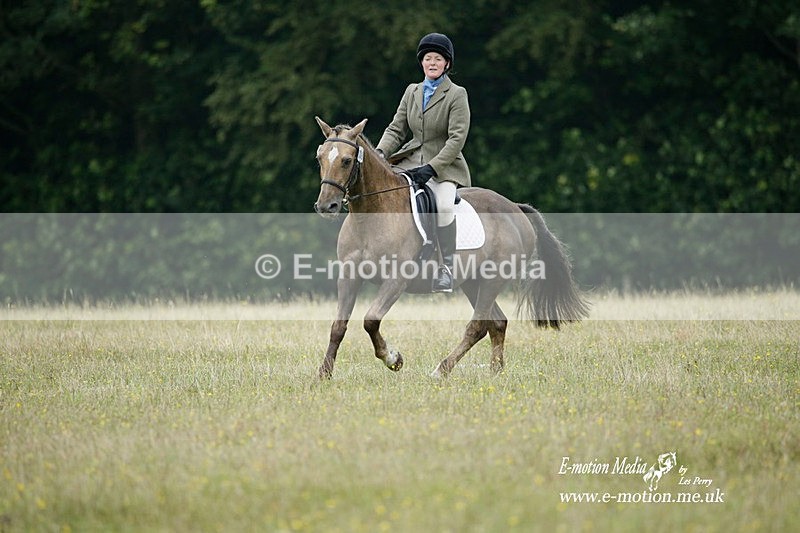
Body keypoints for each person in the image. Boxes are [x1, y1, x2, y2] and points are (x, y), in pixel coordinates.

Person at [376, 32, 471, 293]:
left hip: (444, 166)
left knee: (442, 206)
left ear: (447, 64)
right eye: (427, 58)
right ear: (421, 63)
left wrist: (432, 168)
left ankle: (447, 268)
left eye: (437, 59)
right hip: (410, 160)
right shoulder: (412, 91)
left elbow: (456, 139)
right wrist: (380, 154)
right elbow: (396, 129)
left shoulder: (456, 94)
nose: (432, 63)